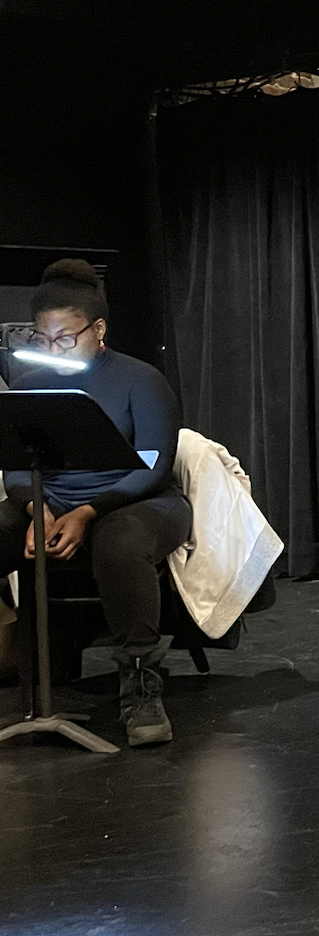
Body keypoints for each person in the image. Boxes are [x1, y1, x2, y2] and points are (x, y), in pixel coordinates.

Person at [0, 259, 188, 746]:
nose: (52, 350)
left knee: (120, 544)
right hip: (52, 502)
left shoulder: (140, 380)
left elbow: (152, 466)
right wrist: (35, 508)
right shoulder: (30, 386)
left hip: (135, 500)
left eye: (65, 339)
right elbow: (16, 466)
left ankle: (141, 686)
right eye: (43, 340)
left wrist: (85, 512)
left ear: (98, 329)